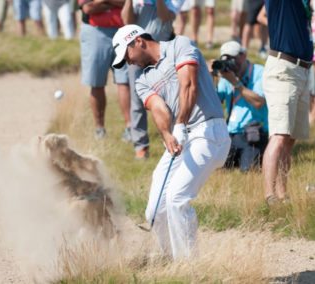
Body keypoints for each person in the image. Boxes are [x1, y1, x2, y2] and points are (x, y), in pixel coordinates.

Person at [112, 24, 231, 259]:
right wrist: (167, 134)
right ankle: (171, 260)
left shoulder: (180, 45)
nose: (127, 62)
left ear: (138, 41)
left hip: (209, 131)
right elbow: (158, 108)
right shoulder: (142, 79)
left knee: (177, 198)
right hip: (181, 136)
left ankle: (189, 268)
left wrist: (180, 124)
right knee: (155, 210)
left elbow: (189, 86)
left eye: (126, 55)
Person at [262, 0, 313, 205]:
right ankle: (269, 196)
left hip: (302, 71)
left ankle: (283, 195)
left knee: (290, 138)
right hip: (284, 68)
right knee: (279, 135)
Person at [121, 0, 184, 158]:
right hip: (136, 53)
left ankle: (174, 139)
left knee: (171, 98)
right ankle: (141, 146)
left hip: (162, 54)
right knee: (137, 101)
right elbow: (126, 21)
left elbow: (164, 16)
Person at [79, 0, 131, 140]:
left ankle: (130, 128)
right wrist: (114, 3)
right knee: (96, 82)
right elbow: (88, 8)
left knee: (125, 82)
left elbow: (129, 4)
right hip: (95, 31)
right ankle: (99, 129)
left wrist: (102, 2)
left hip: (123, 31)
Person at [215, 41, 268, 172]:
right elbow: (215, 102)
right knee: (215, 168)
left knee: (248, 170)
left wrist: (236, 83)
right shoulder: (226, 75)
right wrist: (210, 77)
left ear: (243, 55)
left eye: (233, 58)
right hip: (230, 134)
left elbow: (259, 102)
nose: (231, 63)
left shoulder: (259, 72)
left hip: (253, 132)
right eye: (227, 60)